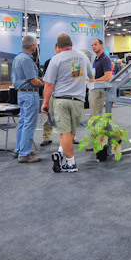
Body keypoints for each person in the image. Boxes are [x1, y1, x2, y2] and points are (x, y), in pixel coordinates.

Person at [42, 33, 94, 173]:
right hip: (79, 100)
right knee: (71, 132)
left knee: (64, 132)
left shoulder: (56, 59)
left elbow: (49, 84)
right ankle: (60, 153)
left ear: (58, 46)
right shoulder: (83, 56)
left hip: (61, 100)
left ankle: (71, 163)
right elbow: (91, 76)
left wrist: (45, 103)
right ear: (71, 45)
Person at [12, 35, 45, 163]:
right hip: (30, 95)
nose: (36, 47)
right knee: (29, 124)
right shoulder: (26, 59)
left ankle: (19, 149)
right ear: (32, 46)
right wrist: (44, 82)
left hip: (21, 94)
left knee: (23, 122)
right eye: (35, 44)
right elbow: (34, 81)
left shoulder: (17, 58)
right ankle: (24, 154)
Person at [40, 44, 61, 146]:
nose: (60, 50)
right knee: (49, 115)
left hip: (63, 92)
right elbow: (46, 79)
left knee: (67, 116)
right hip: (52, 92)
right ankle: (47, 137)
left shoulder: (66, 61)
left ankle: (71, 136)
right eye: (58, 48)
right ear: (55, 48)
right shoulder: (49, 62)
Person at [89, 39, 112, 118]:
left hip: (99, 90)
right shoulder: (96, 59)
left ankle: (97, 126)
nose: (93, 47)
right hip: (94, 89)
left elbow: (108, 77)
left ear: (101, 45)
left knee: (96, 114)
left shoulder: (105, 59)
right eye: (92, 45)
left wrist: (95, 80)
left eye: (95, 44)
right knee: (93, 114)